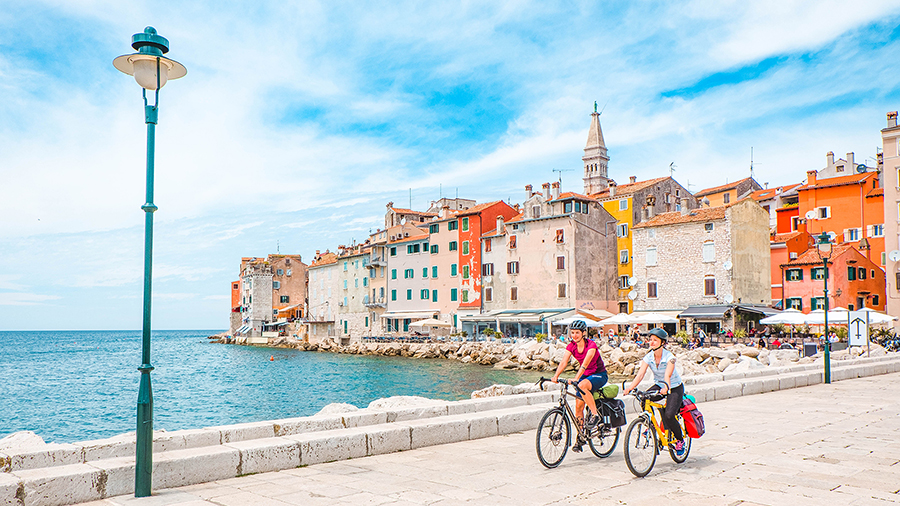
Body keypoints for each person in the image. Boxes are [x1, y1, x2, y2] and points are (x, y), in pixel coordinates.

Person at [623, 328, 687, 457]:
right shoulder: (649, 357)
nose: (651, 342)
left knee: (669, 416)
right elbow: (640, 374)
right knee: (643, 398)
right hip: (659, 385)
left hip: (674, 387)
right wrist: (630, 388)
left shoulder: (670, 357)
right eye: (650, 340)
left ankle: (680, 441)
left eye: (655, 340)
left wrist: (666, 388)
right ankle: (650, 425)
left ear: (662, 342)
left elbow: (667, 375)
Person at [551, 320, 608, 452]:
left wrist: (576, 378)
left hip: (599, 375)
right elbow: (564, 361)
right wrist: (556, 376)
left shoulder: (591, 345)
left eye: (577, 333)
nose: (575, 335)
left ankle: (595, 415)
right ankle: (581, 436)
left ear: (583, 333)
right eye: (572, 333)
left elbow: (585, 364)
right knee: (578, 407)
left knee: (581, 386)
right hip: (585, 376)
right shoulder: (571, 346)